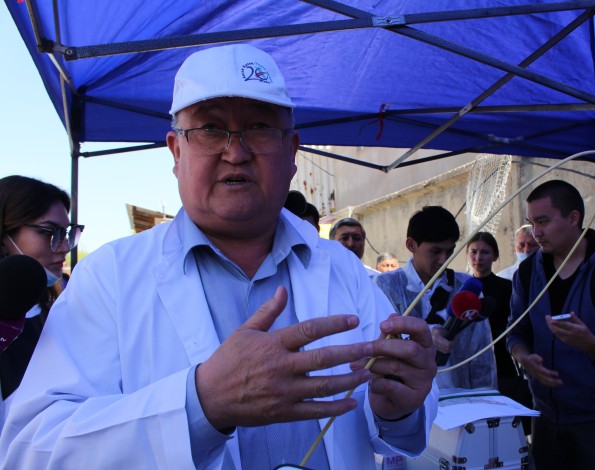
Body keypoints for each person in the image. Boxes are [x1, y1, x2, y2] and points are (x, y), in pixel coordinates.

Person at [0, 44, 438, 469]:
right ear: (176, 151)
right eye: (210, 129)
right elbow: (29, 451)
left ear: (292, 151)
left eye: (259, 128)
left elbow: (395, 419)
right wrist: (201, 404)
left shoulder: (343, 269)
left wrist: (398, 409)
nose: (236, 152)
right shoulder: (108, 276)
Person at [507, 180, 595, 470]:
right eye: (532, 222)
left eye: (543, 221)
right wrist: (524, 357)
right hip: (545, 415)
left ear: (573, 218)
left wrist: (590, 344)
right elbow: (514, 332)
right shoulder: (527, 273)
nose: (536, 232)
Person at [376, 206, 496, 390]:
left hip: (458, 396)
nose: (443, 260)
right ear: (411, 245)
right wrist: (424, 336)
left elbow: (481, 352)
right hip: (405, 398)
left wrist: (486, 397)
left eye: (450, 251)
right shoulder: (385, 286)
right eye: (435, 251)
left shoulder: (466, 287)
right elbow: (378, 344)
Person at [0, 175, 82, 432]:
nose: (65, 246)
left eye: (68, 233)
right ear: (5, 234)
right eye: (49, 232)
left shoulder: (62, 307)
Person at [466, 232, 532, 433]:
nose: (478, 258)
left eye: (485, 252)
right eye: (473, 252)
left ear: (495, 256)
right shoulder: (462, 289)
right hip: (470, 365)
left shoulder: (507, 287)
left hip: (502, 363)